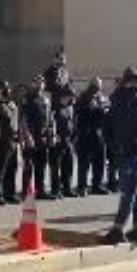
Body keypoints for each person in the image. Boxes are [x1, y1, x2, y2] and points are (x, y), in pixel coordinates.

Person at [102, 67, 137, 245]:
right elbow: (107, 127)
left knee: (128, 192)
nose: (132, 83)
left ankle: (118, 228)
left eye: (136, 79)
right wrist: (112, 145)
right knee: (131, 191)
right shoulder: (116, 101)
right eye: (130, 79)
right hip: (121, 151)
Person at [44, 49, 77, 198]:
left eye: (64, 60)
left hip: (66, 122)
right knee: (55, 159)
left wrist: (69, 97)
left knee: (68, 158)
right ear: (54, 60)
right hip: (55, 119)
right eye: (59, 60)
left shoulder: (66, 73)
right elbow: (52, 91)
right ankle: (55, 189)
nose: (62, 62)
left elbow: (71, 91)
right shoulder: (50, 73)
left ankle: (67, 187)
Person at [21, 75, 55, 200]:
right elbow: (23, 119)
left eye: (41, 82)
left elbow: (50, 117)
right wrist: (27, 136)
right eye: (37, 82)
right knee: (29, 166)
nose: (40, 84)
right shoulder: (28, 98)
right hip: (32, 135)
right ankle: (27, 192)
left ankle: (40, 191)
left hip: (43, 136)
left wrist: (52, 133)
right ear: (32, 84)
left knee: (41, 165)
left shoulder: (46, 98)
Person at [75, 78, 110, 196]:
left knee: (100, 161)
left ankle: (97, 185)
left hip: (99, 133)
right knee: (84, 162)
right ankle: (82, 187)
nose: (97, 89)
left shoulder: (101, 97)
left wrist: (103, 108)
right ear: (90, 86)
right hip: (85, 133)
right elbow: (79, 112)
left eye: (99, 86)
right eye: (95, 86)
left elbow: (105, 110)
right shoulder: (83, 97)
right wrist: (91, 108)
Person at [0, 81, 20, 205]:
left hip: (12, 139)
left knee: (12, 167)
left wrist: (18, 139)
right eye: (1, 89)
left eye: (6, 88)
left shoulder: (12, 104)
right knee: (0, 169)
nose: (5, 91)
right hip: (2, 140)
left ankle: (10, 193)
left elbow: (16, 123)